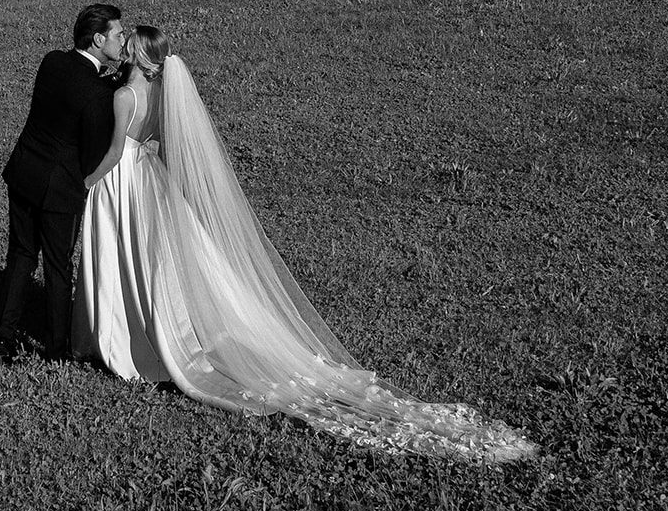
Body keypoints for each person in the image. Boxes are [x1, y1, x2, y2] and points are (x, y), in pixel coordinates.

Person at [73, 26, 537, 462]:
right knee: (158, 262)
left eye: (127, 43)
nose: (121, 46)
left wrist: (87, 182)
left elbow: (114, 151)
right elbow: (160, 145)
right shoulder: (164, 94)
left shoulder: (125, 96)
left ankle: (132, 338)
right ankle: (160, 330)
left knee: (129, 258)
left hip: (123, 181)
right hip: (151, 180)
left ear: (136, 56)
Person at [0, 3, 126, 361]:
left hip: (24, 172)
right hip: (60, 189)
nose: (123, 40)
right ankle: (55, 350)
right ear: (99, 40)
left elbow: (76, 86)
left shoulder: (52, 61)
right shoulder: (98, 95)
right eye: (118, 34)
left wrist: (111, 79)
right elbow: (94, 152)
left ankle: (3, 337)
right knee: (57, 267)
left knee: (21, 255)